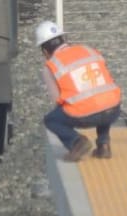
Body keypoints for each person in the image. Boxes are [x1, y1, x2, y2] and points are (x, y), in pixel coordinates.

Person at [36, 20, 122, 162]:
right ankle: (104, 145)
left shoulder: (51, 66)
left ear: (45, 51)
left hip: (85, 116)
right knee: (103, 99)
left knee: (51, 120)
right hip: (114, 109)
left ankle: (76, 142)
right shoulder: (88, 50)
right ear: (64, 39)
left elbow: (58, 101)